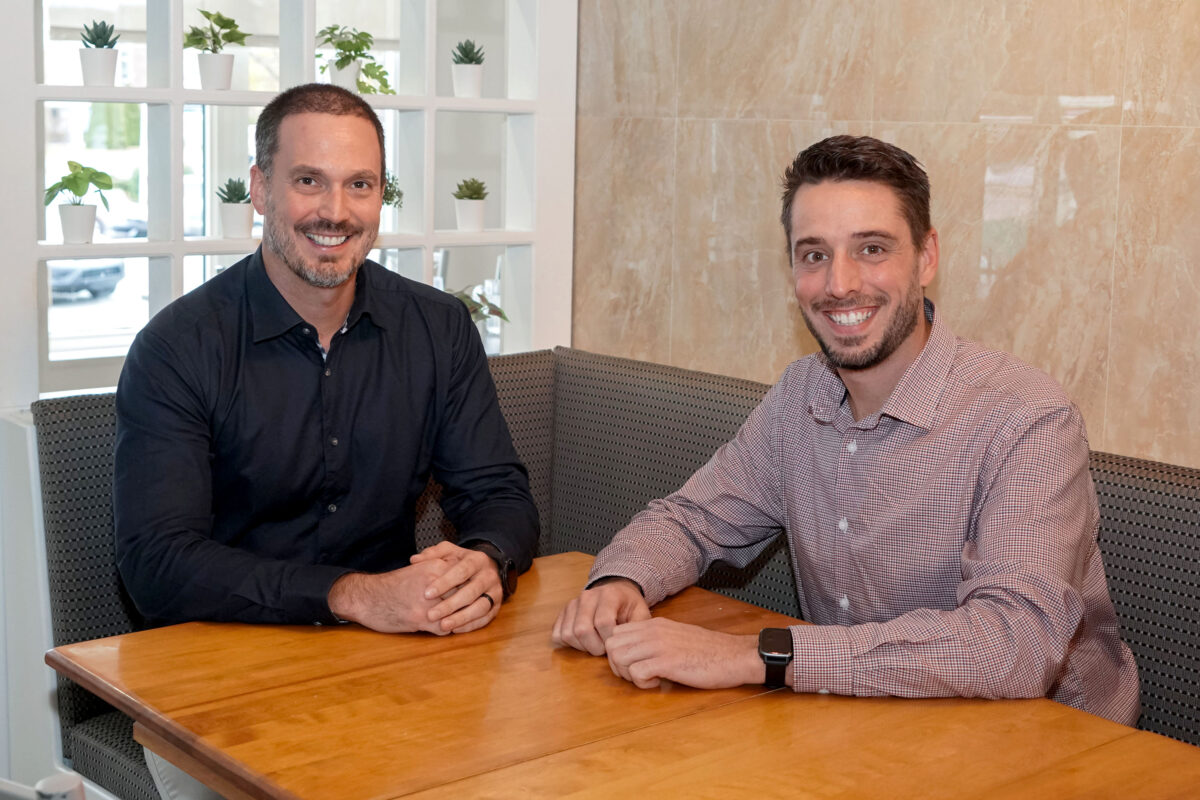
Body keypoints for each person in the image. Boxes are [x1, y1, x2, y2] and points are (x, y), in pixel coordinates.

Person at [551, 135, 1140, 726]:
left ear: (927, 257)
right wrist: (621, 579)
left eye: (872, 249)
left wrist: (761, 654)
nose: (839, 284)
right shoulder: (800, 394)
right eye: (814, 255)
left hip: (1047, 747)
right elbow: (693, 519)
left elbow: (1012, 648)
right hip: (861, 727)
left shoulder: (1026, 417)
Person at [115, 84, 539, 797]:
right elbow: (157, 567)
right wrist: (351, 595)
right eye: (308, 181)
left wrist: (486, 559)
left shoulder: (437, 330)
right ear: (259, 189)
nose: (336, 212)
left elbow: (499, 493)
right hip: (216, 678)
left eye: (360, 185)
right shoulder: (178, 347)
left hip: (394, 661)